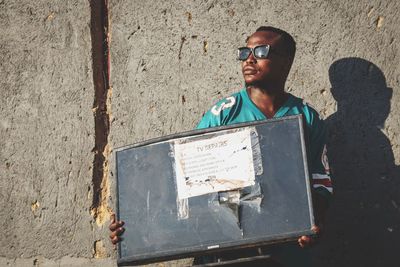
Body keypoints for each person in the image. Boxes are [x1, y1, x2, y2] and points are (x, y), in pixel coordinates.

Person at [109, 26, 332, 266]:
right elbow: (185, 188)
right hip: (226, 252)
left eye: (260, 51)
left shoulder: (306, 117)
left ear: (286, 61)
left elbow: (320, 181)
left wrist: (312, 223)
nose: (248, 58)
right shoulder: (223, 114)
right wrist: (134, 228)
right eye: (245, 51)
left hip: (284, 252)